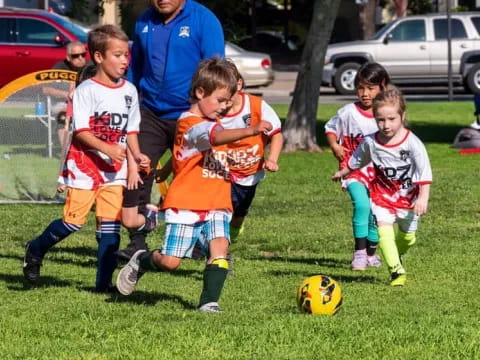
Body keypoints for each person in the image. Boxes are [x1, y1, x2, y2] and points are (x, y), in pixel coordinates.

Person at [116, 58, 273, 312]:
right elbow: (212, 138)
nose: (224, 107)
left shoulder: (212, 120)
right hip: (188, 202)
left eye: (228, 102)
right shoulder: (190, 124)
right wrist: (250, 130)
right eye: (220, 100)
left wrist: (167, 167)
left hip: (218, 199)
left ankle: (209, 302)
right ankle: (142, 260)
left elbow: (189, 155)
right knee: (170, 262)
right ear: (200, 92)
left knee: (220, 248)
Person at [23, 25, 150, 292]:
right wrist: (107, 148)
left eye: (126, 55)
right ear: (98, 57)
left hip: (115, 169)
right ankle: (35, 249)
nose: (124, 60)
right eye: (118, 55)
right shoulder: (86, 90)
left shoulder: (129, 91)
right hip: (85, 165)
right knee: (72, 222)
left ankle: (102, 286)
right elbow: (81, 133)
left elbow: (131, 131)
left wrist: (136, 158)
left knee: (110, 228)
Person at [117, 0, 226, 261]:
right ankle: (137, 241)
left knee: (198, 178)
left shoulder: (204, 19)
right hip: (151, 113)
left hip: (190, 115)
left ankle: (207, 244)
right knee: (138, 170)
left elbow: (216, 70)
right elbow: (135, 68)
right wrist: (128, 100)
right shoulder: (144, 21)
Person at [332, 85, 432, 286]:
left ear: (402, 116)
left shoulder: (412, 143)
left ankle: (396, 253)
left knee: (408, 238)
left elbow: (424, 171)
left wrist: (422, 197)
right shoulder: (371, 142)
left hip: (408, 198)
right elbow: (357, 160)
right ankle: (396, 272)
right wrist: (343, 173)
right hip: (382, 195)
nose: (386, 125)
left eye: (391, 119)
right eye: (381, 120)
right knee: (383, 229)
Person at [325, 62, 390, 271]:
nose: (364, 93)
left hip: (379, 174)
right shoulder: (347, 112)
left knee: (375, 213)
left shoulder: (386, 116)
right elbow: (331, 129)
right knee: (362, 205)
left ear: (382, 87)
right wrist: (335, 146)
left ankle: (371, 254)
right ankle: (359, 254)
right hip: (352, 171)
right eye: (361, 88)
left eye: (370, 88)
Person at [43, 42, 89, 150]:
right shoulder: (59, 68)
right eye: (76, 56)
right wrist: (67, 95)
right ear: (68, 57)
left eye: (83, 54)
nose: (80, 58)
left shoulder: (90, 67)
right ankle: (67, 151)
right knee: (63, 116)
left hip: (85, 103)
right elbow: (46, 89)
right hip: (62, 102)